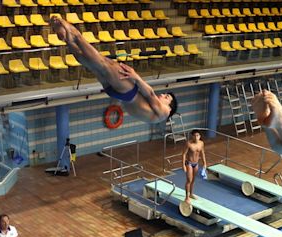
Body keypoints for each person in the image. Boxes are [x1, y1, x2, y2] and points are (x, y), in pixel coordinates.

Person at [49, 16, 177, 124]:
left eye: (166, 97)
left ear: (170, 108)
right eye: (165, 94)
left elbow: (150, 93)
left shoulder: (165, 112)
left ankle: (75, 35)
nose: (163, 95)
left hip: (129, 92)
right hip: (118, 94)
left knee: (102, 62)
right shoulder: (155, 118)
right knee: (91, 64)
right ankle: (68, 41)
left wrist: (135, 76)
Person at [182, 130, 207, 205]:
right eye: (195, 136)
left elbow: (202, 153)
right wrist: (183, 165)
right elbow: (184, 154)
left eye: (198, 136)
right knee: (189, 180)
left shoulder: (201, 143)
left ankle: (191, 194)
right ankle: (186, 197)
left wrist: (205, 163)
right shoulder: (189, 144)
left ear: (200, 136)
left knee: (193, 180)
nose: (196, 137)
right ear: (192, 136)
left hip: (196, 163)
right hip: (189, 163)